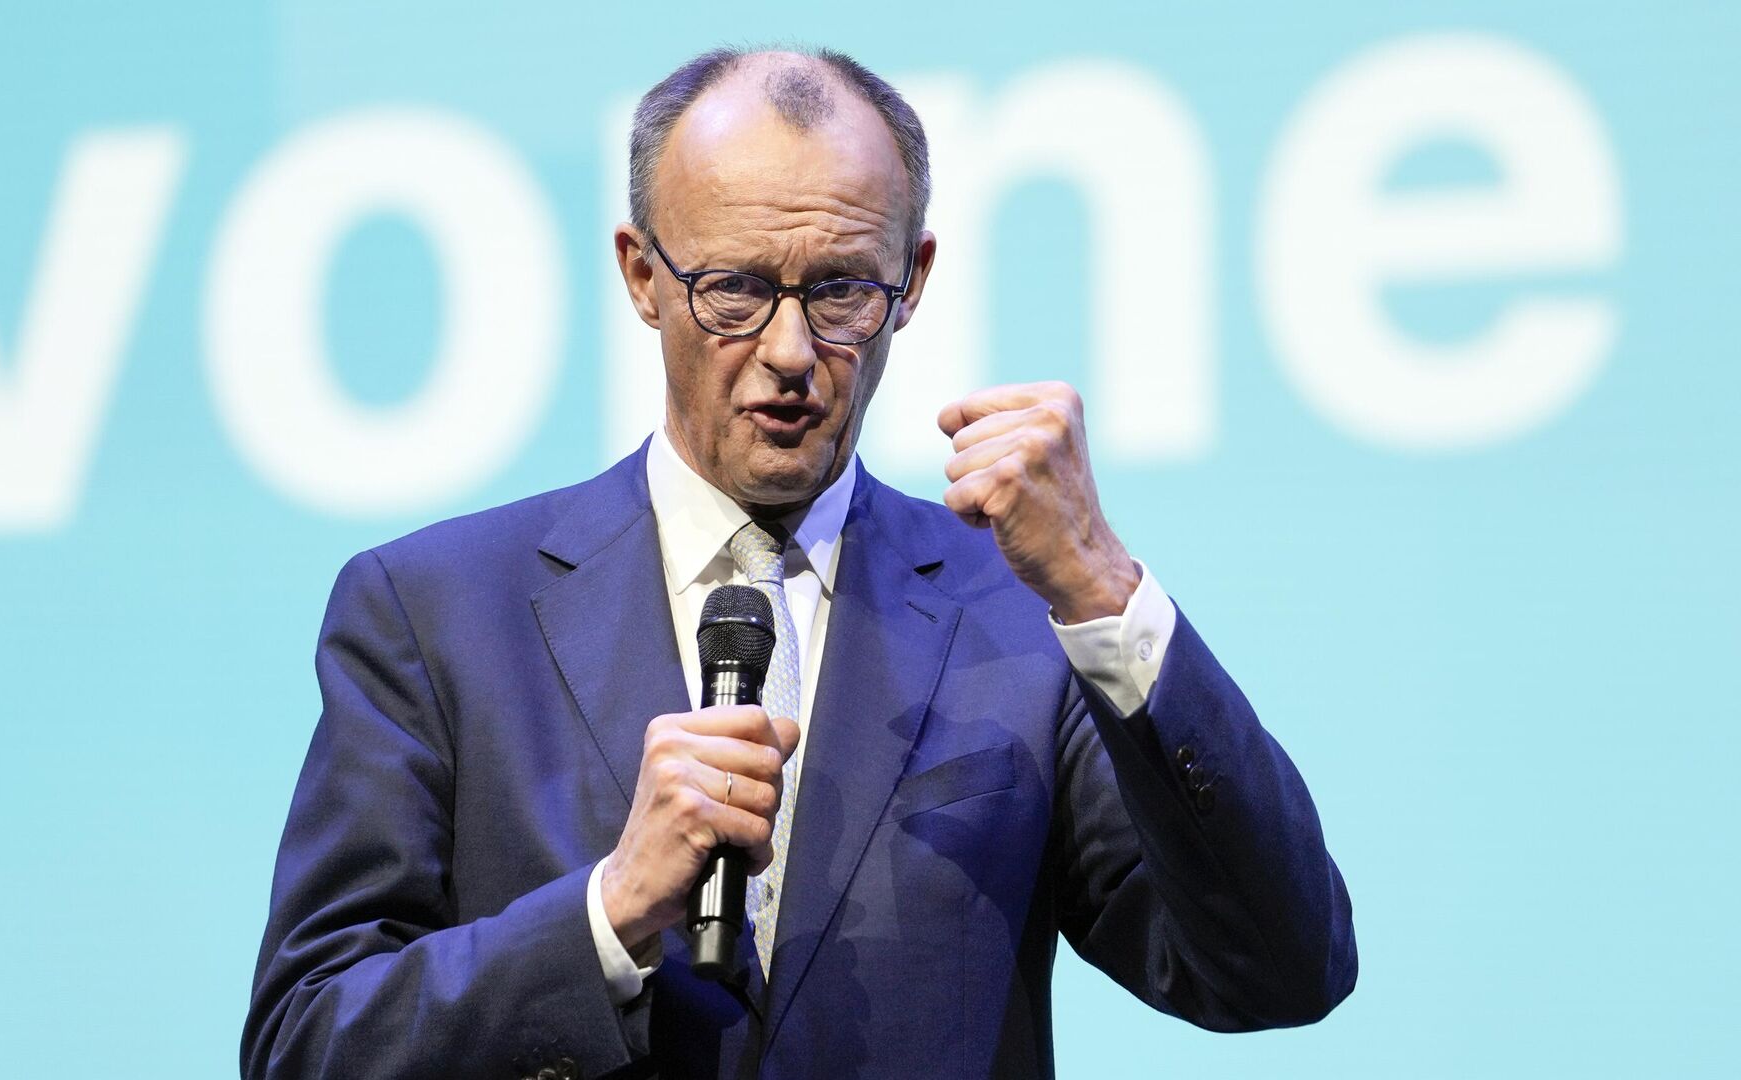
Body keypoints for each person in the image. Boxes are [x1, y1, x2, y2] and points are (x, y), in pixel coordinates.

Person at [242, 46, 1356, 1080]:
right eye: (734, 287)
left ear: (912, 281)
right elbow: (305, 1042)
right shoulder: (436, 614)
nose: (789, 352)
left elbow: (1278, 972)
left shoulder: (1020, 615)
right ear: (642, 274)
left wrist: (1104, 587)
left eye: (840, 292)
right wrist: (606, 916)